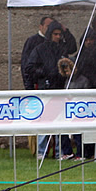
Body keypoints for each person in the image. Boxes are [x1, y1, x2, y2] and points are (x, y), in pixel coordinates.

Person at [25, 20, 74, 160]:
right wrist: (46, 72)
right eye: (56, 34)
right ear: (50, 34)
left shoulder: (61, 49)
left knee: (59, 122)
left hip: (59, 89)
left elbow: (73, 46)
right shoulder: (39, 49)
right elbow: (29, 68)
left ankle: (60, 152)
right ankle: (41, 151)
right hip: (45, 89)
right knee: (45, 122)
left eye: (60, 34)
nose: (58, 37)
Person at [21, 16, 53, 90]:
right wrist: (29, 86)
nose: (49, 29)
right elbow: (25, 65)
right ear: (40, 27)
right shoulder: (32, 41)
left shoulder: (54, 41)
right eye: (47, 26)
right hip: (37, 83)